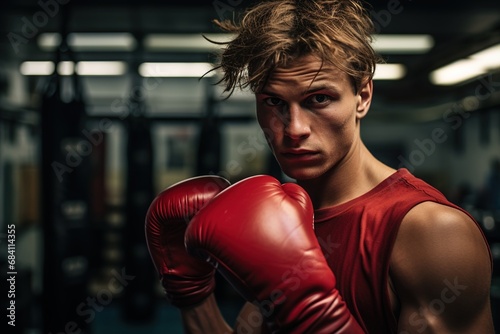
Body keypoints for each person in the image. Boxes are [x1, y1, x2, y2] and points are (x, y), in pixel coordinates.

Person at [145, 0, 494, 333]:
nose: (294, 128)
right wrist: (193, 294)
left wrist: (314, 319)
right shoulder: (281, 217)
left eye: (319, 99)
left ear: (363, 97)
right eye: (274, 102)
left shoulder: (431, 233)